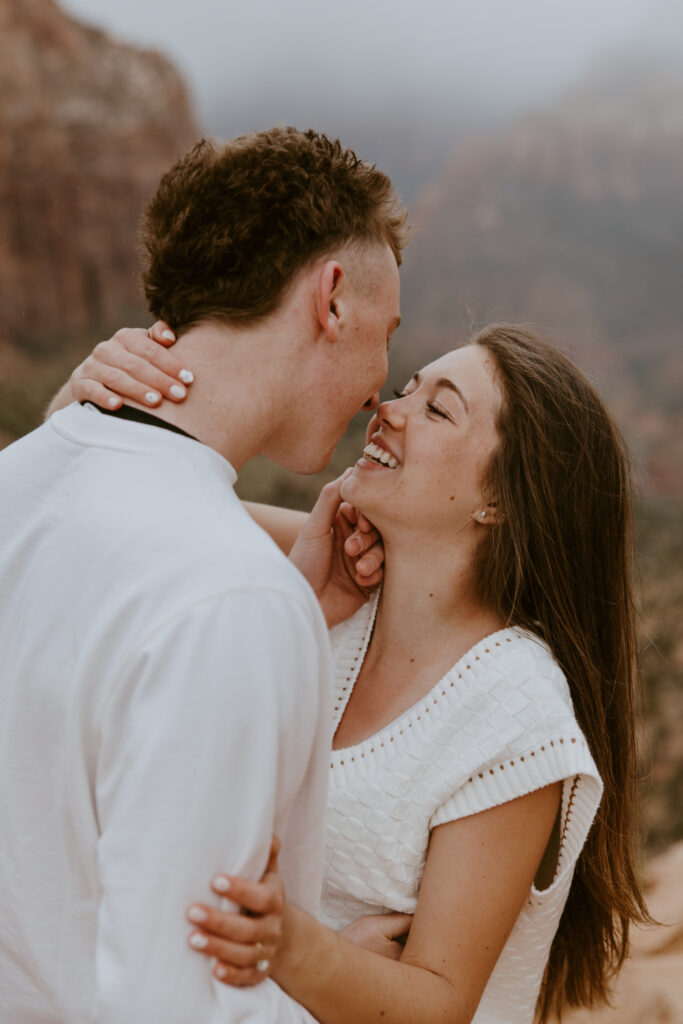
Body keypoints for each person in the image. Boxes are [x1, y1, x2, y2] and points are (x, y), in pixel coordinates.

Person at [70, 322, 648, 1023]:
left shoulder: (512, 713)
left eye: (437, 409)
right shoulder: (326, 565)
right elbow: (124, 506)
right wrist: (92, 393)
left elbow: (439, 1002)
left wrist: (297, 950)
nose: (389, 409)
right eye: (406, 389)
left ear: (500, 499)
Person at [0, 128, 406, 1023]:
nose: (383, 388)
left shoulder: (19, 478)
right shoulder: (235, 598)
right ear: (331, 298)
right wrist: (326, 994)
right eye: (390, 332)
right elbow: (176, 1001)